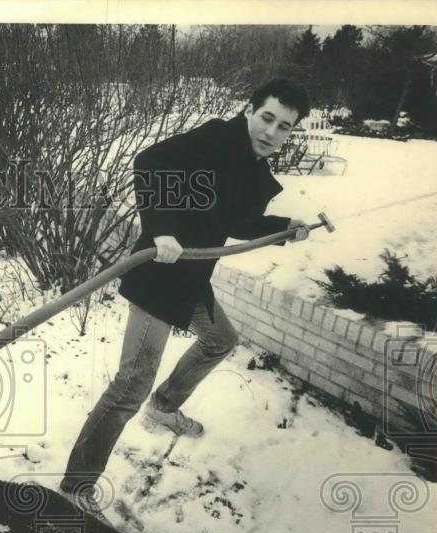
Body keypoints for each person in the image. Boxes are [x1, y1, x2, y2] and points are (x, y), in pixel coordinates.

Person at [61, 79, 312, 511]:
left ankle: (164, 407)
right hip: (159, 277)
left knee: (220, 340)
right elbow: (149, 163)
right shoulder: (216, 139)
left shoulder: (253, 170)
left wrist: (284, 227)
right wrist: (160, 230)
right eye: (267, 118)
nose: (272, 132)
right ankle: (75, 487)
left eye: (284, 127)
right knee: (129, 387)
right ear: (250, 110)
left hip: (191, 279)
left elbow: (236, 222)